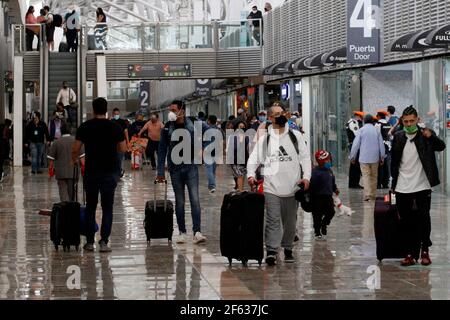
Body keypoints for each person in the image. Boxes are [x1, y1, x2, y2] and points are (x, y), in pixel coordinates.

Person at [247, 104, 311, 266]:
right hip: (271, 188)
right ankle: (272, 251)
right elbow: (253, 159)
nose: (280, 116)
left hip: (292, 187)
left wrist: (307, 177)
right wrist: (250, 175)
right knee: (273, 220)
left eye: (282, 113)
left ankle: (288, 248)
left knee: (290, 222)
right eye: (276, 114)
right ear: (270, 118)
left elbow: (305, 158)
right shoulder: (265, 140)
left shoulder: (295, 136)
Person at [390, 106, 445, 267]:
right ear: (402, 122)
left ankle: (425, 251)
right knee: (405, 221)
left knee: (423, 218)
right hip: (402, 185)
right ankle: (409, 253)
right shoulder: (398, 137)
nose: (409, 124)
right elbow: (394, 163)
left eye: (412, 121)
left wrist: (432, 137)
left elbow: (441, 147)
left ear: (418, 120)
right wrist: (393, 184)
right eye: (406, 122)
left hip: (422, 184)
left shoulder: (425, 135)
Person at [72, 97, 127, 252]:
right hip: (109, 173)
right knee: (107, 208)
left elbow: (75, 148)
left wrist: (73, 160)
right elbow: (123, 149)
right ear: (106, 109)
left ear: (93, 110)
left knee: (90, 207)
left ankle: (90, 242)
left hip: (91, 173)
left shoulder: (85, 127)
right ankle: (104, 242)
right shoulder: (115, 127)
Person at [156, 100, 206, 244]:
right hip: (175, 169)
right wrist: (160, 171)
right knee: (180, 201)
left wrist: (202, 149)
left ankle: (197, 231)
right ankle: (182, 232)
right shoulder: (167, 128)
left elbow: (207, 135)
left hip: (190, 167)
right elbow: (161, 149)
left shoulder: (193, 124)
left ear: (182, 111)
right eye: (169, 110)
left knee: (195, 200)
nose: (170, 112)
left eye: (173, 109)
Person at [349, 114, 385, 201]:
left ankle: (367, 195)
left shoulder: (361, 130)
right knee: (374, 176)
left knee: (366, 176)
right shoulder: (376, 131)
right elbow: (381, 144)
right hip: (375, 158)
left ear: (364, 121)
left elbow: (355, 144)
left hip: (363, 158)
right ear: (372, 121)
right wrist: (382, 156)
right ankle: (372, 195)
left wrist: (352, 157)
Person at [48, 124, 85, 202]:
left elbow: (51, 159)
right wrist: (83, 170)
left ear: (61, 131)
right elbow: (82, 159)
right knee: (72, 192)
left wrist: (50, 171)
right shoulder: (76, 141)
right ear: (71, 131)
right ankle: (72, 208)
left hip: (60, 172)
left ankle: (64, 208)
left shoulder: (56, 142)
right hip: (73, 172)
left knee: (62, 192)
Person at [309, 150, 338, 240]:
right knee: (317, 215)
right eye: (327, 160)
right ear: (321, 161)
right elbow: (312, 185)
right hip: (317, 197)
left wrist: (335, 189)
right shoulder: (315, 172)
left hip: (328, 197)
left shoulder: (329, 171)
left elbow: (332, 182)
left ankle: (324, 224)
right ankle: (317, 232)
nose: (329, 162)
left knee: (331, 212)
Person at [227, 120, 250, 192]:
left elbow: (248, 148)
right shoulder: (233, 136)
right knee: (240, 175)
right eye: (240, 127)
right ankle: (241, 191)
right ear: (237, 127)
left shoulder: (247, 137)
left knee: (242, 175)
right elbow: (230, 148)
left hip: (244, 159)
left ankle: (240, 189)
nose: (242, 128)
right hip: (235, 159)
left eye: (243, 127)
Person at [203, 115, 223, 193]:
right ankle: (211, 185)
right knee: (213, 169)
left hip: (207, 151)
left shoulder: (206, 130)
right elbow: (221, 142)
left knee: (209, 169)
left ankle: (212, 185)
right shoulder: (219, 130)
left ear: (208, 121)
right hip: (217, 151)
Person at [345, 111, 364, 188]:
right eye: (361, 118)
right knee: (356, 165)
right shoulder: (353, 123)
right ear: (358, 116)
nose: (361, 120)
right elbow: (358, 135)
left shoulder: (351, 122)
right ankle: (354, 183)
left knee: (354, 165)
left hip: (353, 145)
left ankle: (353, 183)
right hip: (355, 145)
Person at [375, 110, 392, 189]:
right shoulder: (389, 124)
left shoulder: (378, 124)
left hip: (380, 147)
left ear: (379, 116)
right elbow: (391, 136)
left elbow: (376, 136)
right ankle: (385, 183)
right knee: (387, 166)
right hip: (388, 147)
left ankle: (378, 184)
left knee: (380, 166)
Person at [111, 108, 130, 177]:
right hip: (112, 143)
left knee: (120, 157)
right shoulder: (110, 121)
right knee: (115, 158)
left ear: (119, 114)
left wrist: (128, 142)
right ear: (113, 114)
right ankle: (117, 171)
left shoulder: (122, 122)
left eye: (117, 114)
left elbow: (126, 132)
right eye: (115, 114)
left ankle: (119, 171)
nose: (116, 115)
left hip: (121, 142)